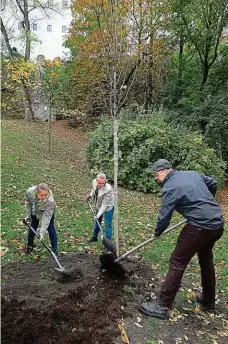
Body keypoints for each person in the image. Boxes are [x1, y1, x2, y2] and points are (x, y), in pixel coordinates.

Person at [139, 159, 224, 320]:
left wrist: (158, 232)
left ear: (164, 170)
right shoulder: (191, 173)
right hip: (217, 223)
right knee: (206, 259)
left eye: (156, 174)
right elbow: (212, 182)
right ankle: (208, 300)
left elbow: (165, 215)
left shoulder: (170, 187)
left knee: (177, 261)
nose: (156, 178)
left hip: (199, 227)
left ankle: (162, 306)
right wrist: (206, 203)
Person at [24, 183, 58, 255]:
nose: (44, 197)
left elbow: (47, 217)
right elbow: (28, 204)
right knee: (33, 226)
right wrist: (28, 215)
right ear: (36, 193)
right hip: (35, 210)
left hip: (46, 210)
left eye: (46, 195)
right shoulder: (29, 192)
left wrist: (42, 232)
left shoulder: (50, 200)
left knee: (50, 228)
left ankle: (54, 250)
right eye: (42, 195)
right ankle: (30, 246)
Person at [86, 173, 114, 251]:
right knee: (97, 222)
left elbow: (104, 205)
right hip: (99, 205)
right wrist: (90, 196)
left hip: (108, 207)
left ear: (105, 182)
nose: (101, 184)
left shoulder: (108, 189)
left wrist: (98, 215)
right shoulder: (94, 182)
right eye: (99, 183)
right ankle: (94, 237)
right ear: (96, 180)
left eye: (102, 183)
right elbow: (94, 190)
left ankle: (107, 245)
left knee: (108, 225)